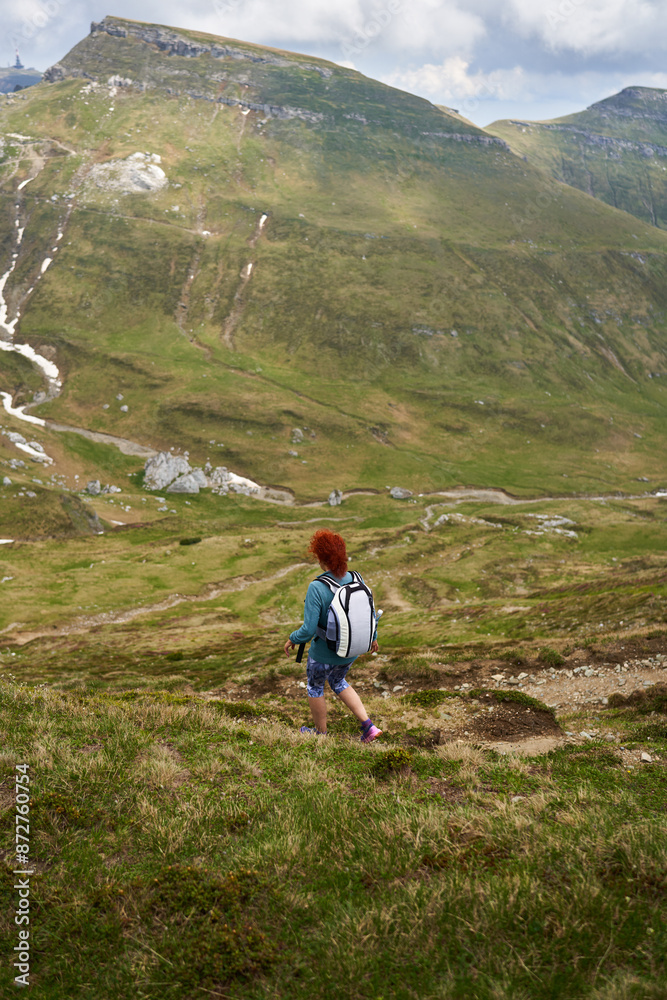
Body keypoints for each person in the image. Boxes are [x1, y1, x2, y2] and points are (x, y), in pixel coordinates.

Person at [284, 529, 382, 743]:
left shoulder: (317, 587)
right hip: (351, 650)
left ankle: (321, 733)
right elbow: (369, 612)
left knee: (315, 687)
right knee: (338, 681)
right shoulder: (357, 578)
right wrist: (373, 636)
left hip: (323, 653)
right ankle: (369, 727)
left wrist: (293, 638)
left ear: (320, 559)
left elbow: (308, 630)